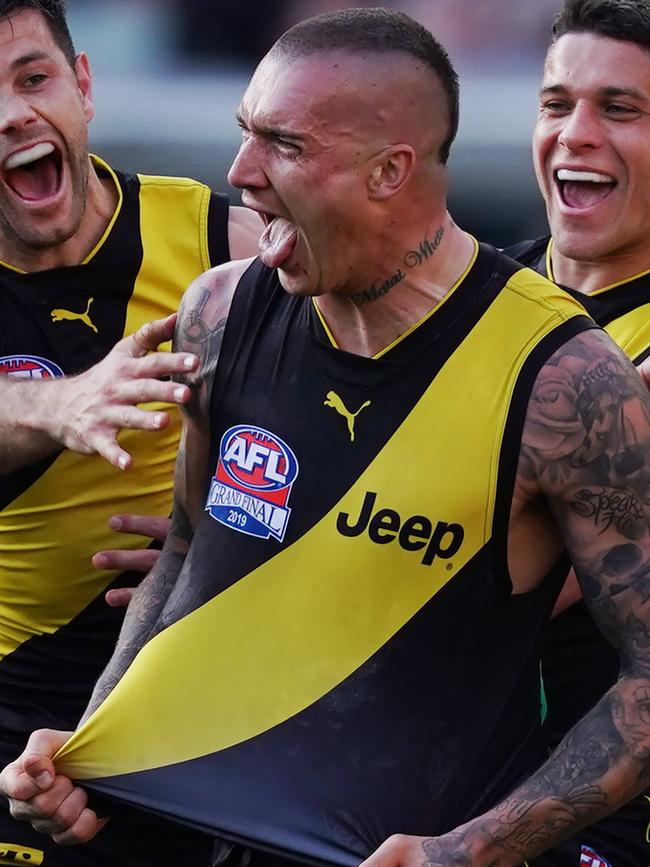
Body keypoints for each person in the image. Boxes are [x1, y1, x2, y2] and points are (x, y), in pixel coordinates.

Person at [3, 8, 650, 867]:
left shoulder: (568, 383)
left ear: (390, 171)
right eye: (244, 136)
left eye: (284, 145)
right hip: (198, 834)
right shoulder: (220, 310)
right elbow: (184, 556)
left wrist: (467, 851)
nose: (241, 173)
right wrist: (95, 743)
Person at [0, 1, 260, 865]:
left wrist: (222, 542)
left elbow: (369, 412)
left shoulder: (227, 242)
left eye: (32, 78)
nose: (12, 115)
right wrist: (62, 404)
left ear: (82, 87)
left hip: (202, 708)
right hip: (16, 711)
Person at [504, 2, 650, 865]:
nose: (576, 134)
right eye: (556, 104)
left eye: (621, 109)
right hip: (434, 787)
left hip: (599, 822)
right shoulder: (473, 299)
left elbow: (511, 580)